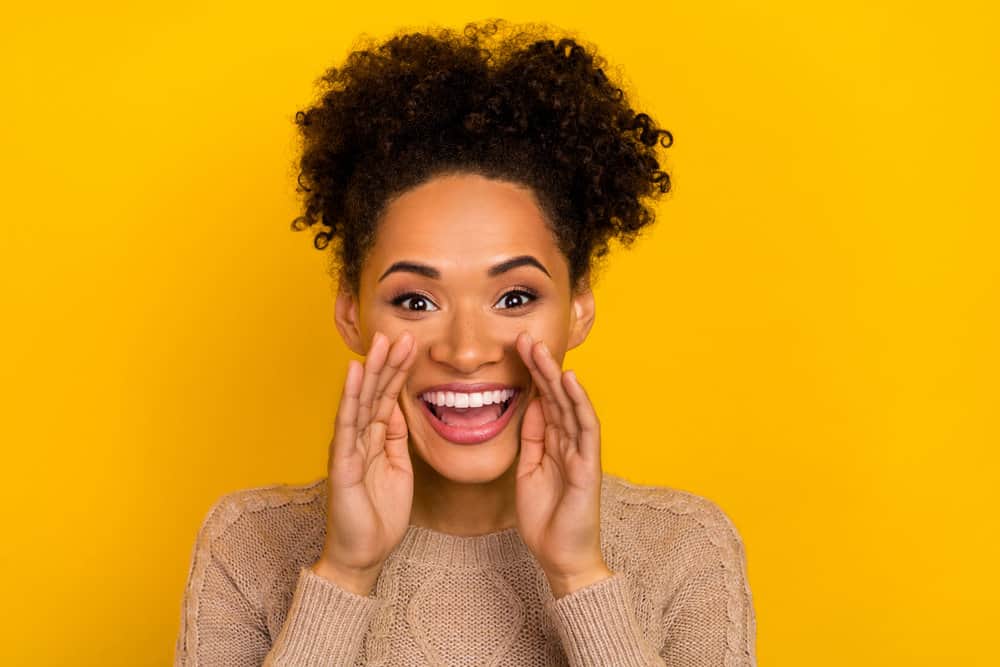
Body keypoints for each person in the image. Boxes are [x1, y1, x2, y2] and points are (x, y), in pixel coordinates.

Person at [174, 18, 756, 666]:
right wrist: (345, 572)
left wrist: (578, 575)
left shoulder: (683, 547)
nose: (468, 348)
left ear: (579, 309)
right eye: (415, 300)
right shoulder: (249, 544)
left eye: (515, 297)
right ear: (350, 312)